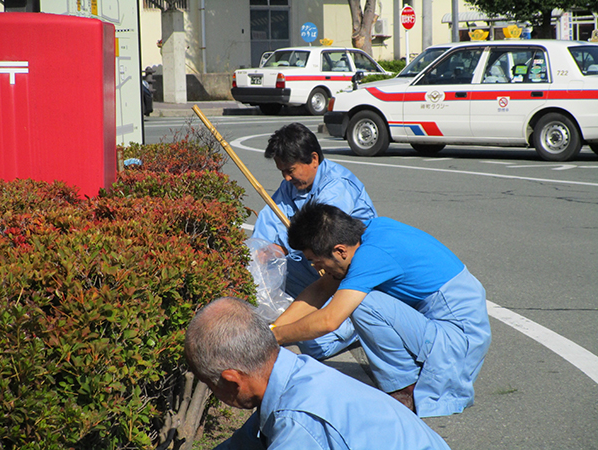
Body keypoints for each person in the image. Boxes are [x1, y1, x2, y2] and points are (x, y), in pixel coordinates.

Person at [271, 202, 491, 418]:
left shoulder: (371, 256)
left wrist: (275, 337)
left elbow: (330, 320)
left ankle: (405, 389)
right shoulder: (366, 234)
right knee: (357, 295)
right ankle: (405, 377)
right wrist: (270, 331)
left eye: (315, 261)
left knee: (363, 304)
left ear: (340, 251)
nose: (315, 268)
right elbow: (320, 289)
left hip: (458, 339)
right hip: (444, 320)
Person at [184, 296, 452, 450]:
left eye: (211, 384)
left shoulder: (299, 422)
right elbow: (241, 446)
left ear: (232, 379)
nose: (214, 393)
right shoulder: (294, 374)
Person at [251, 122, 377, 360]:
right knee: (265, 270)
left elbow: (322, 241)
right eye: (282, 172)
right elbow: (269, 222)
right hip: (313, 266)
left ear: (314, 159)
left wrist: (282, 248)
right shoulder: (291, 186)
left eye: (291, 170)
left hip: (343, 269)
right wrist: (263, 251)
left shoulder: (337, 187)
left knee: (316, 345)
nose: (287, 177)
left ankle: (353, 326)